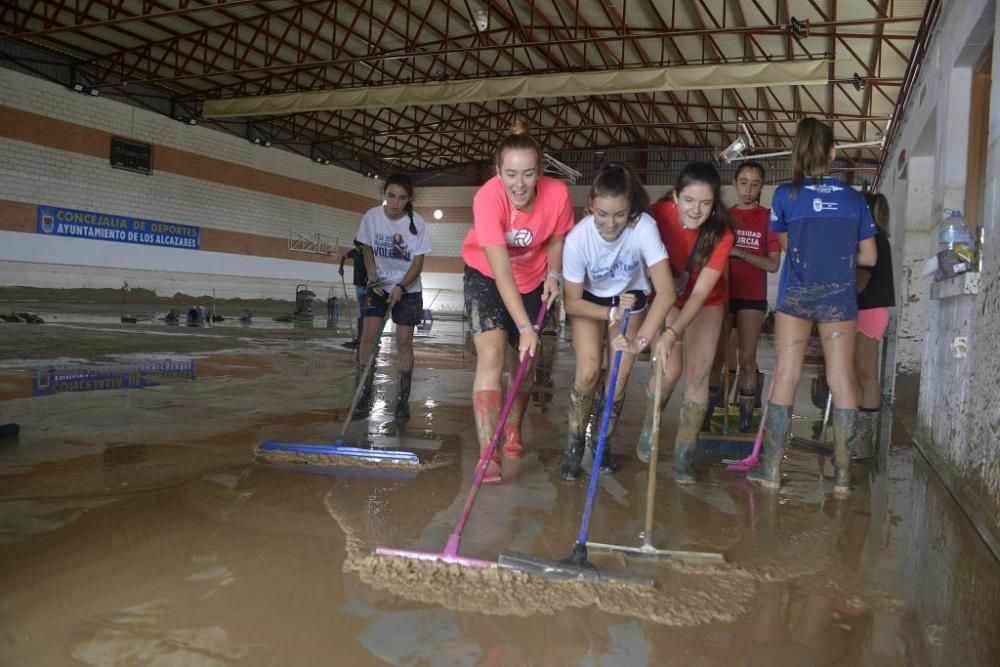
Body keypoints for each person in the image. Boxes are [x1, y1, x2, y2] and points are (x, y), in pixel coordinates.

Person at [749, 118, 877, 495]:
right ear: (833, 152)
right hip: (839, 297)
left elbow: (787, 246)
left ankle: (770, 469)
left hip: (797, 295)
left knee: (786, 374)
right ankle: (841, 477)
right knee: (842, 377)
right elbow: (868, 257)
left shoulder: (785, 196)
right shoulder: (855, 199)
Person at [463, 119, 572, 484]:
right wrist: (524, 326)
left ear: (539, 172)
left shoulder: (557, 195)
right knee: (492, 355)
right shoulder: (487, 198)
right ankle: (487, 451)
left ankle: (513, 426)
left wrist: (554, 273)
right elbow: (501, 269)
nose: (519, 184)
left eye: (527, 174)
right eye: (511, 174)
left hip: (533, 279)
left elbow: (557, 239)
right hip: (487, 274)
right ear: (498, 172)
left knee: (522, 364)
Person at [558, 164, 675, 480]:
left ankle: (601, 443)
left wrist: (641, 343)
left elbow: (666, 293)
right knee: (588, 371)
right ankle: (574, 446)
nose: (610, 224)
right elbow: (571, 301)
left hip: (632, 299)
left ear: (631, 210)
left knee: (619, 379)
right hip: (590, 303)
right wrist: (610, 314)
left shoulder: (644, 227)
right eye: (603, 215)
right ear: (591, 207)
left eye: (620, 215)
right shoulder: (578, 239)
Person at [633, 161, 736, 484]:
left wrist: (674, 332)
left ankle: (684, 455)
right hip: (667, 294)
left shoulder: (722, 233)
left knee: (698, 373)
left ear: (715, 204)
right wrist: (664, 326)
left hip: (707, 301)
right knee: (670, 368)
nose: (696, 210)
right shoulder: (655, 216)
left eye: (706, 203)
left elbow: (702, 291)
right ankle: (650, 429)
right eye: (689, 200)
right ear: (675, 197)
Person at [705, 161, 782, 432]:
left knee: (746, 359)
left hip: (752, 296)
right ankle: (704, 418)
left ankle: (747, 424)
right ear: (734, 184)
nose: (748, 189)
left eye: (755, 183)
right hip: (722, 295)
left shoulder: (768, 217)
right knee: (715, 359)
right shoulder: (723, 216)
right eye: (743, 182)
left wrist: (739, 253)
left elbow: (773, 264)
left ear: (762, 186)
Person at [353, 174, 432, 422]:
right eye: (391, 196)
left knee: (403, 343)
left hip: (408, 289)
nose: (395, 202)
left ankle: (401, 403)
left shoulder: (418, 223)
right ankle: (363, 398)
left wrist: (401, 285)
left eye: (401, 198)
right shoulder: (371, 217)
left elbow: (418, 264)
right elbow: (366, 248)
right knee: (368, 339)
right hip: (377, 287)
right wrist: (372, 273)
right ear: (384, 194)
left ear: (409, 199)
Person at [853, 192, 894, 461]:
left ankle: (865, 443)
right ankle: (859, 437)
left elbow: (860, 282)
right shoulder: (878, 239)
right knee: (860, 374)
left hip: (868, 311)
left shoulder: (874, 240)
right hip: (869, 311)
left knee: (866, 375)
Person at [339, 239, 368, 350]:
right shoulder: (354, 252)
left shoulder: (369, 254)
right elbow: (343, 257)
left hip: (369, 287)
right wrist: (341, 267)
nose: (358, 249)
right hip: (359, 286)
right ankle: (360, 338)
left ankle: (367, 337)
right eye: (356, 247)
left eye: (359, 247)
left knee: (368, 313)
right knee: (361, 313)